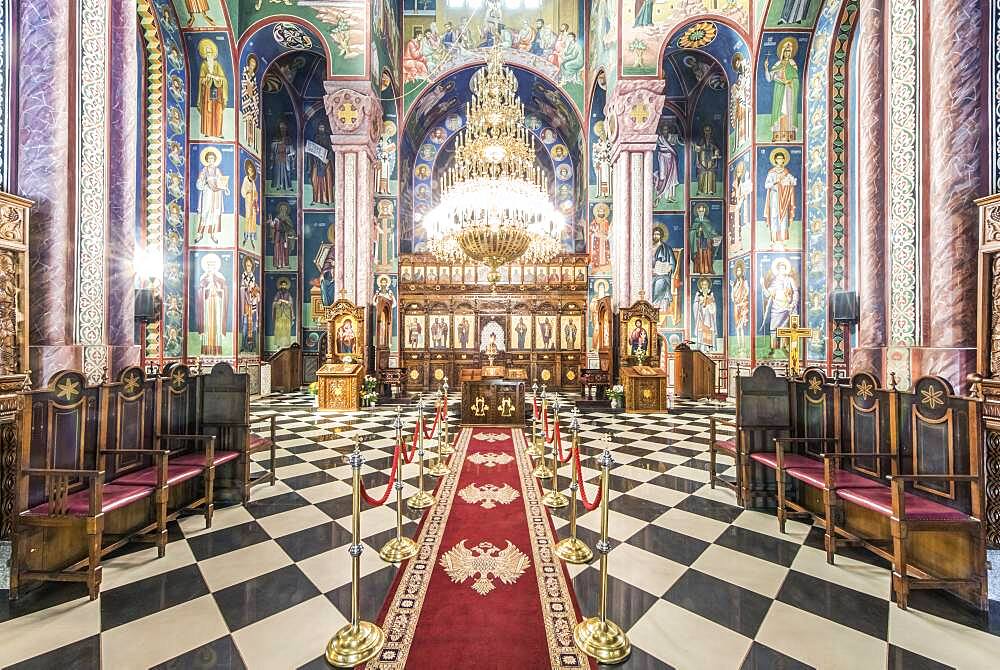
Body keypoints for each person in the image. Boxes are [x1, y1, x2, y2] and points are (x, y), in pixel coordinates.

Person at [761, 258, 800, 354]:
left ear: (786, 269)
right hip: (776, 307)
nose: (782, 270)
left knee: (785, 328)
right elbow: (767, 294)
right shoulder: (774, 281)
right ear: (777, 270)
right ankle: (773, 348)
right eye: (780, 268)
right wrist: (762, 285)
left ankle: (783, 346)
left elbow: (795, 291)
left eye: (783, 268)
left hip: (787, 307)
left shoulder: (789, 279)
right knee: (773, 327)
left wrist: (793, 303)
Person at [765, 38, 800, 141]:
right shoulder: (777, 64)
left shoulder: (793, 64)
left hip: (789, 90)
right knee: (778, 111)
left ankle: (789, 135)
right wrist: (766, 68)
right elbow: (769, 79)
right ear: (782, 52)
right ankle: (777, 135)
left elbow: (796, 78)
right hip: (779, 90)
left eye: (789, 52)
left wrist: (790, 82)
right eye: (786, 52)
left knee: (788, 110)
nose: (788, 54)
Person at [764, 149, 797, 248]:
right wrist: (775, 182)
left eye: (782, 158)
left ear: (783, 160)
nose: (780, 160)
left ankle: (783, 240)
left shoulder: (786, 172)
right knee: (774, 217)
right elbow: (766, 185)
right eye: (778, 158)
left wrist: (789, 183)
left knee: (783, 217)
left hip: (784, 197)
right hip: (774, 197)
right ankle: (773, 240)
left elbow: (792, 183)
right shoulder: (771, 172)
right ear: (775, 160)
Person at [195, 148, 229, 245]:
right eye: (209, 158)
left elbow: (222, 181)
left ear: (214, 160)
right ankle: (200, 234)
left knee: (215, 214)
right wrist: (205, 182)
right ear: (206, 159)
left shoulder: (217, 170)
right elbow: (199, 183)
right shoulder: (204, 170)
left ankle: (213, 234)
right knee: (205, 213)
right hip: (207, 194)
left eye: (212, 158)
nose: (211, 160)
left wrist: (224, 187)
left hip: (216, 194)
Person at [196, 39, 227, 138]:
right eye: (207, 52)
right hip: (208, 90)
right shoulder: (204, 65)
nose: (208, 54)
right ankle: (208, 131)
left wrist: (215, 77)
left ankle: (218, 132)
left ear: (213, 53)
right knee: (208, 111)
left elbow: (223, 78)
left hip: (217, 90)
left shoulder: (217, 64)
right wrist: (205, 78)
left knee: (218, 111)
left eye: (210, 52)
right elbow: (201, 79)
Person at [653, 121, 681, 203]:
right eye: (664, 129)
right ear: (661, 130)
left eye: (667, 129)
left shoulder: (672, 137)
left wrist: (677, 126)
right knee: (662, 176)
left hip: (671, 158)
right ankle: (660, 194)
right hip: (662, 157)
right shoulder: (659, 138)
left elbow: (681, 139)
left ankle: (670, 196)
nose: (665, 131)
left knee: (671, 177)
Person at [689, 203, 717, 274]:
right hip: (698, 241)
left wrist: (713, 234)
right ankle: (700, 270)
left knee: (707, 255)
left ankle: (708, 269)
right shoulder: (696, 221)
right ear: (697, 211)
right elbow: (692, 232)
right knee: (699, 256)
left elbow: (711, 230)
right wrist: (698, 231)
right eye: (700, 211)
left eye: (702, 211)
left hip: (706, 241)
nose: (701, 213)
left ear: (704, 211)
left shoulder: (707, 221)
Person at [730, 261, 751, 355]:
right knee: (737, 328)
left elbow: (747, 291)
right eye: (737, 271)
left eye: (740, 270)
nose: (738, 272)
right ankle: (739, 347)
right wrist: (732, 288)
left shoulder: (744, 281)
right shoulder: (735, 283)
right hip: (736, 306)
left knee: (741, 327)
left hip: (743, 305)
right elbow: (732, 296)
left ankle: (743, 347)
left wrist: (742, 299)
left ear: (742, 271)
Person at [694, 125, 721, 196]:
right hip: (702, 158)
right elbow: (697, 149)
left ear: (710, 131)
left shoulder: (712, 140)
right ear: (704, 131)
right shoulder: (701, 140)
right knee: (702, 173)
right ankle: (700, 190)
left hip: (711, 158)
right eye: (706, 130)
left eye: (708, 130)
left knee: (710, 173)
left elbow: (716, 148)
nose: (707, 132)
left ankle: (710, 190)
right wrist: (698, 148)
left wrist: (716, 153)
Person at [270, 120, 294, 191]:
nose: (282, 129)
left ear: (286, 128)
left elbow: (291, 148)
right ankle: (278, 186)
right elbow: (273, 146)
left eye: (284, 127)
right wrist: (279, 143)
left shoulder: (288, 138)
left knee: (286, 172)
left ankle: (286, 186)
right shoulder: (276, 138)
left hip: (285, 157)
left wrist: (291, 152)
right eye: (281, 127)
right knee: (278, 172)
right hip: (278, 157)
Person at [693, 279, 717, 351]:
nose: (704, 286)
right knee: (701, 331)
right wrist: (700, 303)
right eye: (703, 284)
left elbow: (713, 306)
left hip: (709, 318)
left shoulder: (711, 294)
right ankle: (700, 348)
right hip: (701, 317)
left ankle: (708, 348)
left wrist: (709, 304)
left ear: (708, 285)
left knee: (708, 332)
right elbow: (695, 305)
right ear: (701, 285)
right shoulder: (698, 294)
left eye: (706, 284)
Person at [240, 160, 259, 248]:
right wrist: (248, 191)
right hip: (248, 200)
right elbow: (243, 190)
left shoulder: (252, 181)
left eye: (251, 170)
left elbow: (256, 192)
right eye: (249, 170)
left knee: (253, 218)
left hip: (253, 201)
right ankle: (246, 236)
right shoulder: (245, 179)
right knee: (248, 217)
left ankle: (252, 236)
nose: (250, 171)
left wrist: (255, 197)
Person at [272, 279, 294, 349]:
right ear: (280, 285)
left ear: (286, 286)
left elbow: (290, 303)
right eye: (282, 285)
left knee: (286, 328)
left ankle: (286, 343)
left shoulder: (288, 294)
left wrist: (285, 301)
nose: (283, 286)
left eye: (285, 285)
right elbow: (274, 303)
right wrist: (278, 302)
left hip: (286, 314)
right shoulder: (278, 293)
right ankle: (278, 344)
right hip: (279, 314)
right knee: (279, 328)